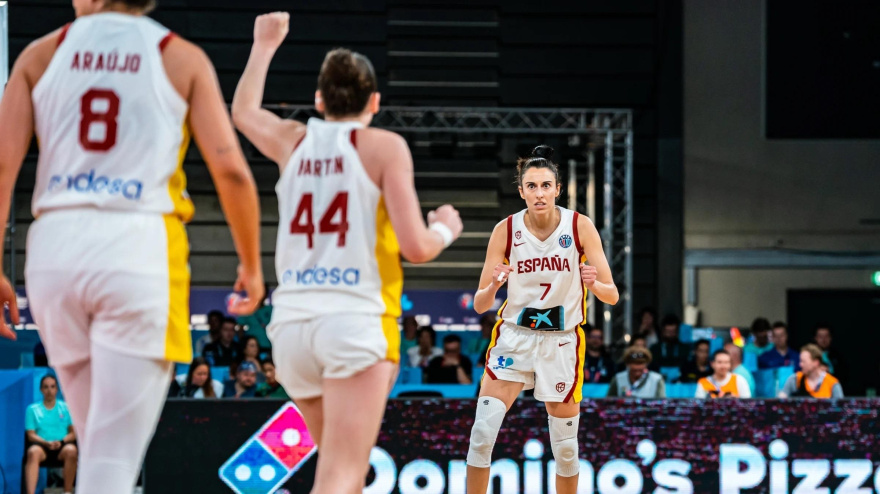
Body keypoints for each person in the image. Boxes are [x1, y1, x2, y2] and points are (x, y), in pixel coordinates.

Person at [0, 1, 265, 492]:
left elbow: (1, 167)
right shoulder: (179, 56)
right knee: (113, 459)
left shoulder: (40, 54)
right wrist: (251, 263)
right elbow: (231, 171)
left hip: (54, 246)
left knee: (100, 448)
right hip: (138, 247)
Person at [231, 13, 462, 493]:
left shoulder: (293, 139)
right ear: (375, 102)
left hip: (292, 328)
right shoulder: (383, 147)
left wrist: (264, 44)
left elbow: (244, 112)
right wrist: (445, 228)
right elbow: (416, 247)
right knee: (340, 477)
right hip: (354, 322)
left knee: (342, 476)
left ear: (319, 100)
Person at [465, 144, 618, 494]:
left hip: (561, 341)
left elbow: (613, 294)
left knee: (565, 449)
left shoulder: (580, 227)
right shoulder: (505, 230)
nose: (539, 193)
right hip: (514, 336)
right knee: (482, 434)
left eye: (545, 185)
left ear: (558, 189)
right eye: (531, 186)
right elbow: (478, 304)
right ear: (521, 191)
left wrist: (595, 284)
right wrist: (493, 284)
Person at [25, 375, 77, 494]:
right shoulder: (32, 409)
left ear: (57, 389)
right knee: (32, 452)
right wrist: (46, 443)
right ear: (41, 390)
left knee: (72, 450)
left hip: (61, 446)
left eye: (52, 387)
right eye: (46, 387)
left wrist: (62, 442)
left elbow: (73, 433)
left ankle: (67, 492)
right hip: (42, 447)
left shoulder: (66, 408)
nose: (49, 390)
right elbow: (31, 434)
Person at [778, 344, 844, 399]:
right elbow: (781, 401)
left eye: (803, 361)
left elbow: (841, 410)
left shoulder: (832, 383)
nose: (800, 365)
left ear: (816, 363)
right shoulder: (794, 379)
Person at [236, 283, 273, 350]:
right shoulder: (246, 309)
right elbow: (240, 328)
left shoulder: (272, 309)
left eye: (263, 292)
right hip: (250, 348)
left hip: (269, 346)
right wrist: (242, 345)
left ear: (266, 294)